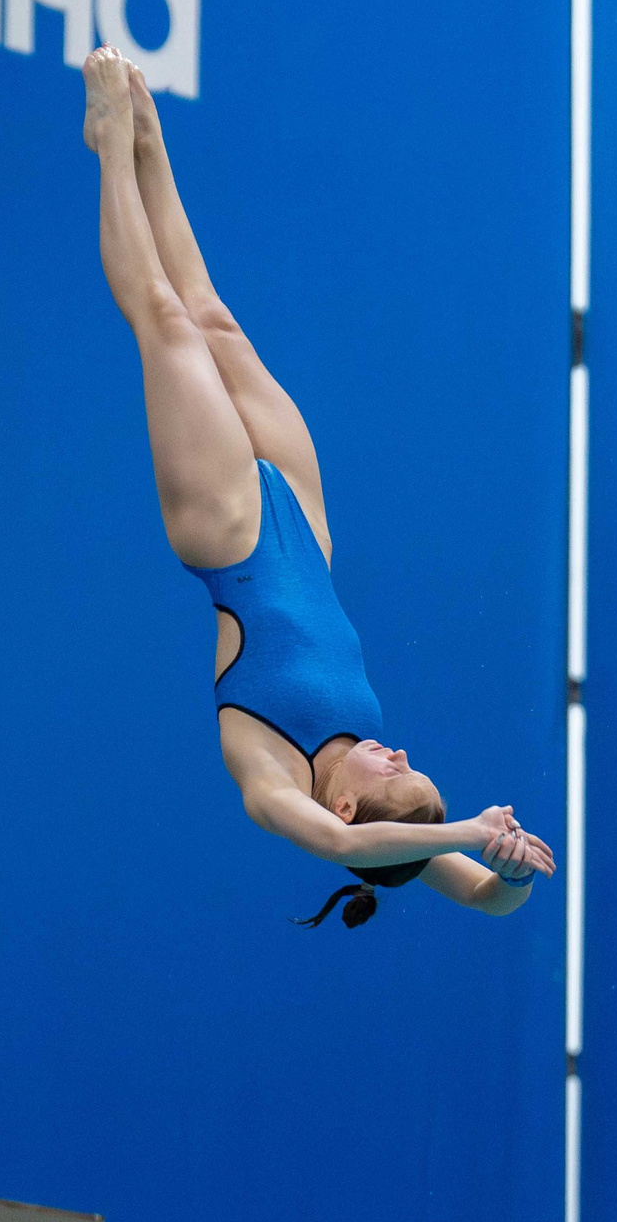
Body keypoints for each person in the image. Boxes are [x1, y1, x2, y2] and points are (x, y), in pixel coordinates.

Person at [83, 47, 553, 927]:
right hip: (303, 530)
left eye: (393, 771)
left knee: (166, 321)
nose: (398, 748)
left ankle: (108, 142)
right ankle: (150, 139)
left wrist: (459, 825)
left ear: (345, 804)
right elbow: (492, 901)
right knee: (215, 316)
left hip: (226, 537)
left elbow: (348, 851)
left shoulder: (277, 782)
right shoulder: (388, 803)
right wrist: (509, 866)